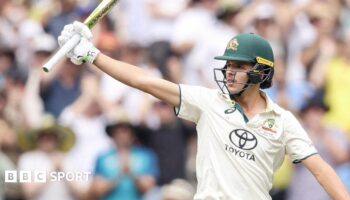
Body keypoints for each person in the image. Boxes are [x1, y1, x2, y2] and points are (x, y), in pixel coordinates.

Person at [57, 21, 350, 199]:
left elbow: (321, 169)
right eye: (228, 65)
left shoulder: (283, 120)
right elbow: (144, 81)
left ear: (262, 72)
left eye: (239, 66)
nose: (229, 72)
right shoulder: (208, 102)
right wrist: (92, 55)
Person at [90, 120, 159, 200]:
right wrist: (119, 175)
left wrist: (131, 172)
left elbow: (148, 188)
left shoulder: (146, 156)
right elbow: (97, 190)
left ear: (133, 134)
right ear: (113, 134)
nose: (122, 135)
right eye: (117, 131)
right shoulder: (103, 157)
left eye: (125, 131)